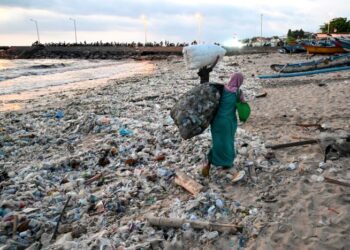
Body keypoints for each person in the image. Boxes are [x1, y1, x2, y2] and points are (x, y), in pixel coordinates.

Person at [202, 72, 245, 177]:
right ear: (239, 81)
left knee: (217, 142)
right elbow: (243, 106)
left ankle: (209, 162)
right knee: (227, 142)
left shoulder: (222, 88)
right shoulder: (238, 92)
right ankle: (227, 164)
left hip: (216, 121)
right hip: (227, 121)